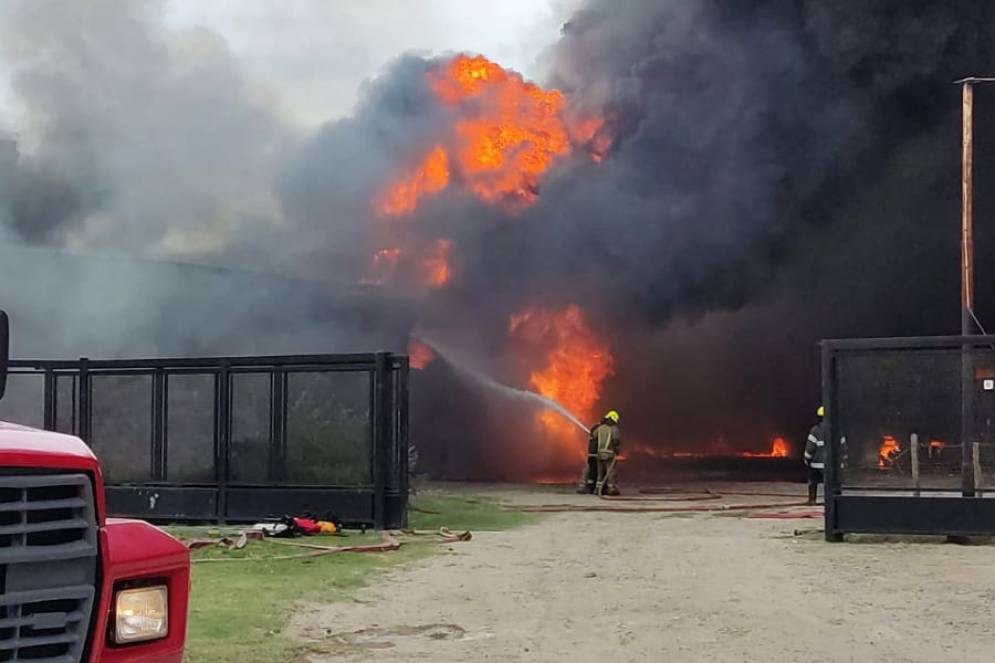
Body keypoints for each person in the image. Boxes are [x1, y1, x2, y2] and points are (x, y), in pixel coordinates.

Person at [577, 410, 621, 495]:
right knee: (610, 472)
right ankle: (611, 489)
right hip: (609, 453)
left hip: (599, 454)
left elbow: (593, 435)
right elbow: (616, 441)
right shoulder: (614, 429)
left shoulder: (599, 428)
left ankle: (597, 490)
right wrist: (616, 450)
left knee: (599, 473)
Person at [804, 406, 826, 505]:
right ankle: (832, 500)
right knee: (832, 484)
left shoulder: (815, 430)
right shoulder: (837, 429)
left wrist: (807, 459)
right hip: (832, 466)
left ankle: (812, 500)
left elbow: (810, 448)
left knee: (813, 481)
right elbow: (843, 447)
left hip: (817, 465)